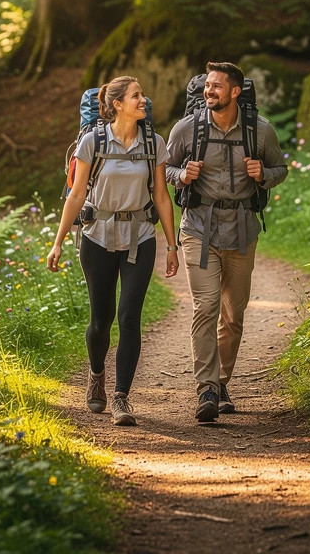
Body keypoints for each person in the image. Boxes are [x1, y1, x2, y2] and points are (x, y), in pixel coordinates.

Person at [47, 75, 179, 426]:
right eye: (137, 96)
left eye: (143, 95)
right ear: (117, 104)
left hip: (140, 237)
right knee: (100, 320)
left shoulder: (155, 144)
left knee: (130, 317)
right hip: (98, 237)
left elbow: (162, 196)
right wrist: (58, 241)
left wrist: (172, 245)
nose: (144, 101)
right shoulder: (93, 141)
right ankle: (96, 374)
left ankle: (121, 397)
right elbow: (76, 195)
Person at [166, 61, 288, 422]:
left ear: (235, 91)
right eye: (207, 85)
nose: (209, 91)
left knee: (234, 314)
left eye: (217, 86)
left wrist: (263, 174)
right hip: (198, 228)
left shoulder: (259, 131)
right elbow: (164, 169)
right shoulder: (187, 128)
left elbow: (281, 169)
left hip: (242, 229)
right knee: (206, 307)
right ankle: (206, 388)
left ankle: (221, 382)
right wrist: (181, 175)